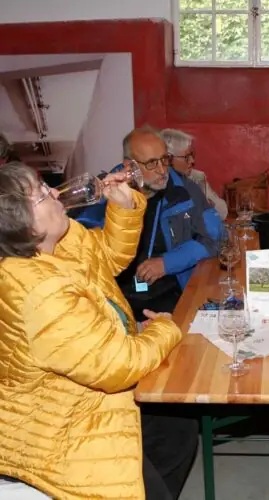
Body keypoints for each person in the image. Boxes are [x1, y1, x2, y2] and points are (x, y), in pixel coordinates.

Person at [0, 162, 192, 499]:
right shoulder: (36, 290)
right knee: (147, 472)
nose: (55, 191)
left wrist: (123, 207)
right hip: (64, 425)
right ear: (20, 223)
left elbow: (106, 258)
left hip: (90, 392)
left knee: (177, 425)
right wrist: (165, 327)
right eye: (42, 194)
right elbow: (119, 366)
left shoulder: (54, 243)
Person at [74, 126, 224, 319]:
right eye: (152, 163)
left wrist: (168, 263)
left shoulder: (184, 191)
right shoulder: (103, 192)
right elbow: (75, 245)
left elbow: (217, 237)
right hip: (113, 305)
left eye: (164, 159)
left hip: (171, 299)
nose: (162, 170)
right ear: (129, 166)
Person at [162, 128, 228, 219]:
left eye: (192, 155)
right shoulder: (158, 183)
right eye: (186, 157)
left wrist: (207, 203)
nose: (192, 161)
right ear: (168, 159)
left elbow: (223, 211)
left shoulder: (197, 177)